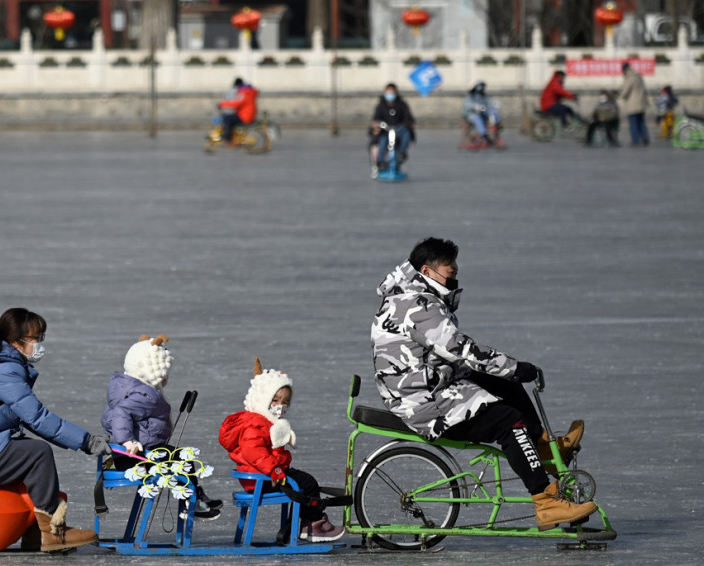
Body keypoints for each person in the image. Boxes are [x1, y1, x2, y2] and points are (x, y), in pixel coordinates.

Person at [370, 238, 598, 531]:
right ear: (427, 271)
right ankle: (546, 502)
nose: (454, 279)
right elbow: (461, 349)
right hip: (423, 403)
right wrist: (517, 367)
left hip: (427, 386)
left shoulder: (410, 297)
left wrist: (509, 372)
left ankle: (541, 449)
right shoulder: (415, 306)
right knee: (508, 421)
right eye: (449, 274)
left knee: (506, 383)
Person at [0, 308, 113, 551]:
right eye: (36, 339)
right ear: (16, 342)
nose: (40, 345)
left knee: (25, 451)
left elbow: (25, 417)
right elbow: (37, 417)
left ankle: (35, 532)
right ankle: (52, 531)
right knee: (37, 453)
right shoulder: (4, 371)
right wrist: (86, 441)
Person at [219, 358, 346, 542]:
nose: (281, 406)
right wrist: (275, 470)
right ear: (264, 400)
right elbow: (254, 452)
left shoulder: (265, 422)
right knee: (306, 484)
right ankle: (314, 523)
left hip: (268, 474)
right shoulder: (255, 424)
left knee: (305, 482)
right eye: (276, 400)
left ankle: (302, 523)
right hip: (263, 479)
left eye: (285, 402)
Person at [100, 334, 222, 519]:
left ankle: (197, 495)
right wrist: (127, 441)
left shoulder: (129, 387)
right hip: (136, 457)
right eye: (162, 373)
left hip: (133, 454)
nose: (165, 379)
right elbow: (120, 414)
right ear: (149, 370)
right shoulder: (144, 395)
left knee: (180, 457)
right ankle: (195, 501)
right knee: (184, 460)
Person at [369, 82, 416, 180]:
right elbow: (375, 120)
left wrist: (408, 124)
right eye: (388, 92)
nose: (390, 95)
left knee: (406, 134)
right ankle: (381, 162)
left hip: (398, 130)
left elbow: (409, 119)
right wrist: (376, 127)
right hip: (385, 132)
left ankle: (401, 155)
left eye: (392, 92)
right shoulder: (380, 106)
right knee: (382, 141)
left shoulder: (402, 105)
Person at [218, 77, 259, 143]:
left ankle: (228, 138)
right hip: (247, 115)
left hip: (244, 117)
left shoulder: (245, 93)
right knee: (231, 118)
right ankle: (234, 138)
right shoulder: (249, 93)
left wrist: (222, 104)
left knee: (227, 118)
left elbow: (237, 103)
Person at [462, 81, 503, 146]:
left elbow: (489, 102)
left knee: (493, 111)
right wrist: (475, 106)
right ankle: (483, 134)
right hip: (472, 114)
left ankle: (497, 123)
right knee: (478, 120)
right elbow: (467, 104)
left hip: (482, 112)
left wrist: (495, 104)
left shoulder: (483, 95)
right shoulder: (470, 95)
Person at [618, 62, 650, 146]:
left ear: (624, 70)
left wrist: (620, 95)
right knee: (641, 122)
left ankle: (636, 140)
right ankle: (645, 138)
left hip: (633, 105)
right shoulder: (638, 76)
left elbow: (625, 92)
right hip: (641, 104)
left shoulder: (629, 78)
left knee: (633, 124)